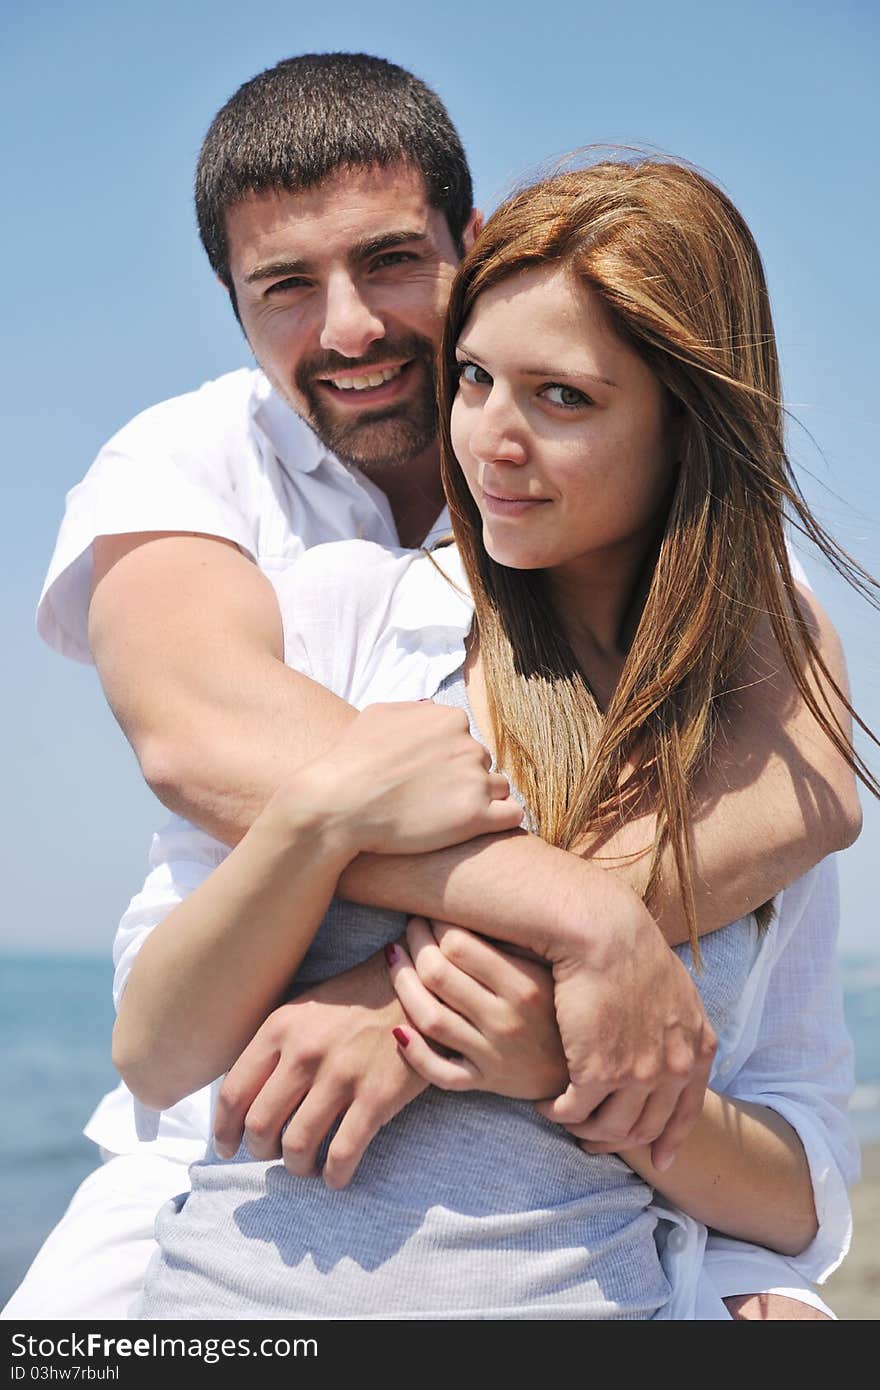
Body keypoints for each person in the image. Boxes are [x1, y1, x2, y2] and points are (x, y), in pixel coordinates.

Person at [4, 55, 858, 1320]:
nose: (348, 326)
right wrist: (580, 922)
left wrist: (439, 1017)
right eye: (286, 285)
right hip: (212, 1166)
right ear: (233, 304)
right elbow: (200, 752)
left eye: (391, 263)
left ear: (470, 242)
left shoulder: (725, 650)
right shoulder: (257, 526)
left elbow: (815, 789)